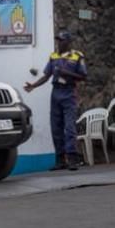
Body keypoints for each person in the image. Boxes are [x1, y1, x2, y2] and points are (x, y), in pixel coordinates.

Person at [25, 31, 87, 171]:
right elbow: (47, 76)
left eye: (62, 40)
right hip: (56, 93)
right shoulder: (53, 56)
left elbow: (83, 76)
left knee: (70, 127)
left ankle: (72, 159)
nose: (59, 43)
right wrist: (33, 86)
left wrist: (67, 73)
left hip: (69, 93)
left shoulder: (77, 56)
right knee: (56, 127)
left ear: (68, 42)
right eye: (58, 40)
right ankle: (60, 160)